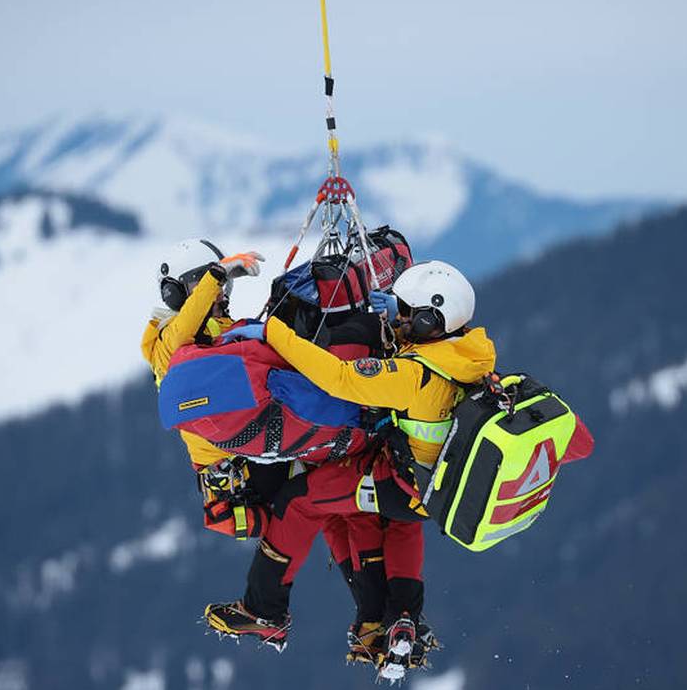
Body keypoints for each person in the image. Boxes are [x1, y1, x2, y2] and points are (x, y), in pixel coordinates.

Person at [204, 260, 496, 678]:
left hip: (395, 484)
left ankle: (263, 609)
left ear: (433, 319)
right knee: (374, 520)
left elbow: (339, 378)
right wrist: (394, 325)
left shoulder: (414, 375)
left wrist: (272, 333)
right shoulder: (467, 354)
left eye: (409, 312)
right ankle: (392, 619)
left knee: (298, 502)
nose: (402, 317)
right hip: (430, 487)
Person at [139, 238, 282, 537]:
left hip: (253, 444)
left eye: (222, 287)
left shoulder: (223, 329)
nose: (219, 294)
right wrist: (217, 274)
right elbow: (184, 330)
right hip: (227, 463)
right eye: (202, 284)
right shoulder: (166, 342)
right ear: (176, 293)